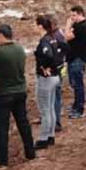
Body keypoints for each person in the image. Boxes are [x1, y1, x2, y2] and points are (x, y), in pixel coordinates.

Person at [0, 24, 35, 169]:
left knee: (2, 128)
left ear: (1, 35)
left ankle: (2, 162)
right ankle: (30, 153)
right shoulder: (20, 49)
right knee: (23, 123)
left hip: (4, 94)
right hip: (20, 91)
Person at [33, 15, 60, 150]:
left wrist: (45, 68)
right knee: (50, 108)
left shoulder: (44, 41)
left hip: (46, 79)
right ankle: (51, 136)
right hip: (55, 77)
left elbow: (48, 56)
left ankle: (43, 139)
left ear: (40, 26)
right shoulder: (53, 38)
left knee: (45, 110)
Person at [63, 5, 86, 119]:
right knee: (74, 83)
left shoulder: (82, 26)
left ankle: (80, 109)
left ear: (80, 14)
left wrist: (68, 25)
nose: (72, 18)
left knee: (78, 85)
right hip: (73, 58)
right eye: (71, 16)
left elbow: (67, 37)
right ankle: (76, 105)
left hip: (78, 59)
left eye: (74, 15)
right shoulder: (78, 25)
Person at [49, 15, 69, 132]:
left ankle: (55, 121)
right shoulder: (60, 34)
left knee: (54, 96)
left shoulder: (54, 37)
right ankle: (56, 118)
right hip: (61, 67)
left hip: (55, 69)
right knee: (56, 94)